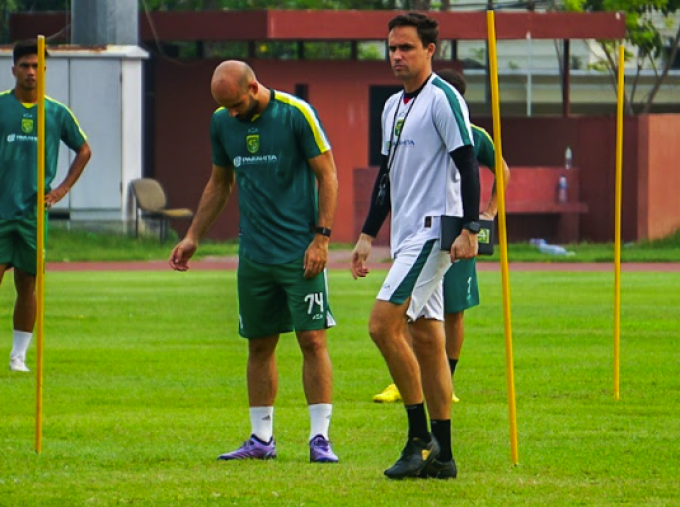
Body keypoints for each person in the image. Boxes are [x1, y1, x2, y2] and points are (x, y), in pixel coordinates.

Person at [169, 60, 339, 463]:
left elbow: (327, 175)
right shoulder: (221, 122)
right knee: (259, 343)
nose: (230, 113)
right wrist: (194, 236)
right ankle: (261, 440)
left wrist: (321, 239)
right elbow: (219, 183)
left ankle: (320, 439)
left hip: (300, 252)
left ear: (253, 88)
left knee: (312, 339)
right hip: (255, 255)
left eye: (234, 104)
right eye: (222, 106)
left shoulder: (296, 114)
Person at [351, 13, 480, 480]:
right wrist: (367, 234)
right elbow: (385, 178)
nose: (397, 56)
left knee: (383, 326)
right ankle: (443, 456)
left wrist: (471, 229)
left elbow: (468, 165)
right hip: (404, 234)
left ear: (430, 50)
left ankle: (417, 438)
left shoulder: (444, 99)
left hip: (433, 233)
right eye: (391, 48)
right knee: (427, 338)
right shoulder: (392, 106)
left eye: (406, 47)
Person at [0, 40, 91, 373]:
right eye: (24, 65)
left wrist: (61, 190)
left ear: (44, 71)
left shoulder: (56, 112)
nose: (30, 71)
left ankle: (18, 357)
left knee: (27, 282)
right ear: (14, 70)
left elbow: (84, 150)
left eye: (36, 66)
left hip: (33, 214)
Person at [372, 68, 511, 405]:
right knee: (414, 311)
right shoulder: (408, 119)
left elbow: (501, 171)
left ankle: (447, 380)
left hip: (457, 230)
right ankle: (413, 380)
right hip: (418, 229)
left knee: (453, 309)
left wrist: (487, 215)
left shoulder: (474, 134)